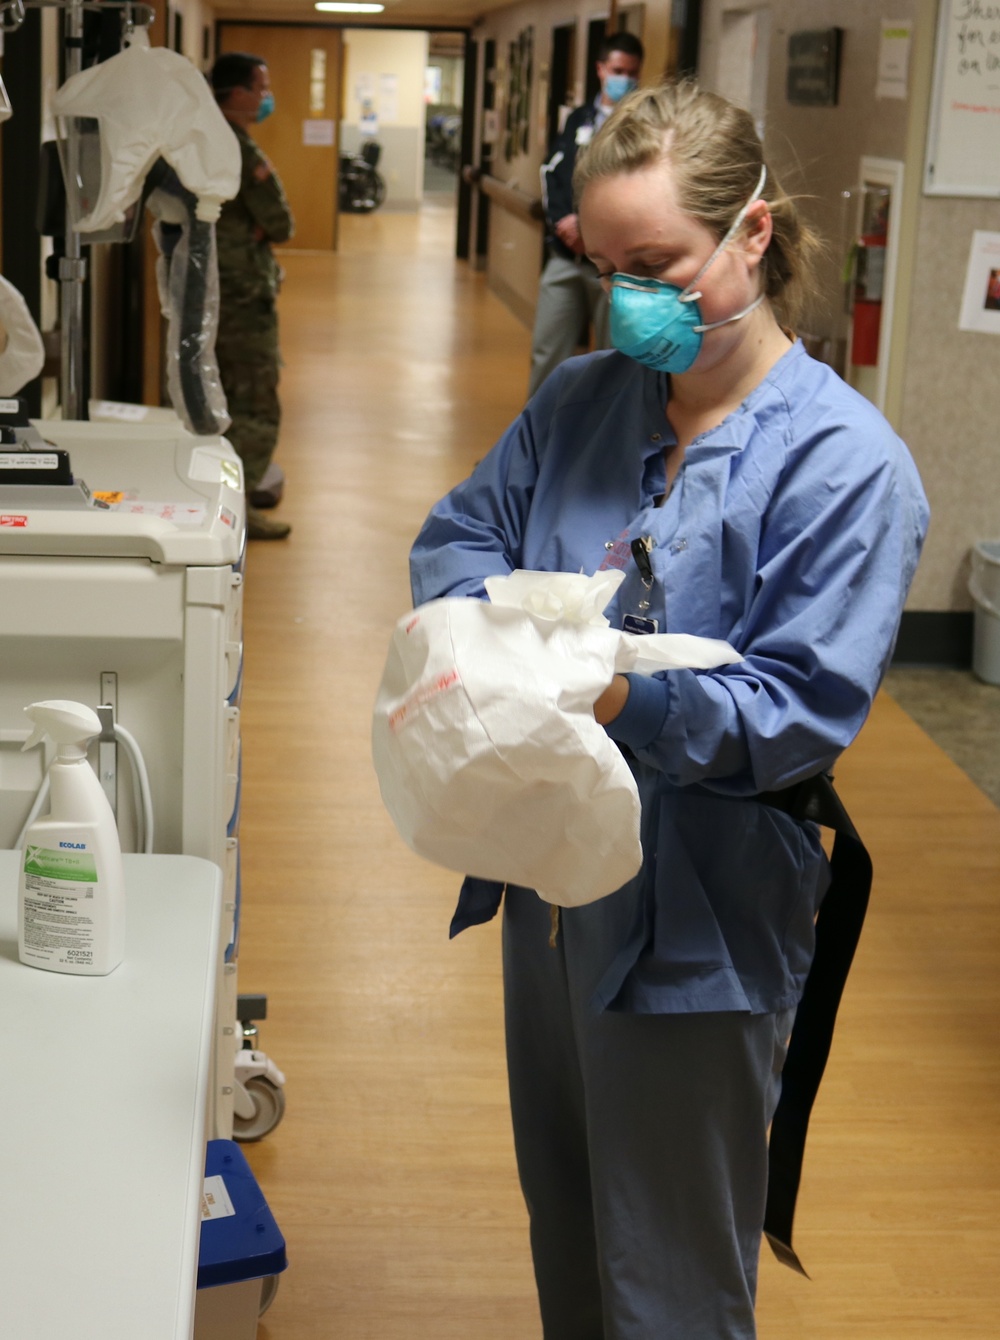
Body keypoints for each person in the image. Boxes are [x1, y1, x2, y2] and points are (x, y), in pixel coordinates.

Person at [410, 81, 929, 1339]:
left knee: (672, 1272)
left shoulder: (843, 465)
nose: (628, 295)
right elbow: (459, 536)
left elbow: (792, 709)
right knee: (572, 1223)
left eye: (660, 265)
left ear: (752, 234)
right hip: (550, 883)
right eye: (605, 266)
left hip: (698, 912)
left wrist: (606, 688)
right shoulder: (582, 399)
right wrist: (498, 626)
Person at [528, 32, 644, 398]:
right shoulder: (578, 118)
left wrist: (593, 228)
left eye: (631, 72)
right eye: (617, 70)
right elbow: (553, 172)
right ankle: (539, 442)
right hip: (568, 253)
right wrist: (565, 222)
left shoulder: (644, 124)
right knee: (547, 349)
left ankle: (601, 443)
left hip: (615, 265)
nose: (623, 78)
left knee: (614, 358)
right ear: (600, 69)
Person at [210, 52, 294, 541]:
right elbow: (281, 223)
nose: (265, 97)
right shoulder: (237, 148)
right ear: (236, 93)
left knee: (224, 394)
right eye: (259, 88)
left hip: (217, 288)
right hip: (242, 292)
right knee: (255, 404)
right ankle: (236, 510)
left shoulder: (203, 137)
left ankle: (226, 503)